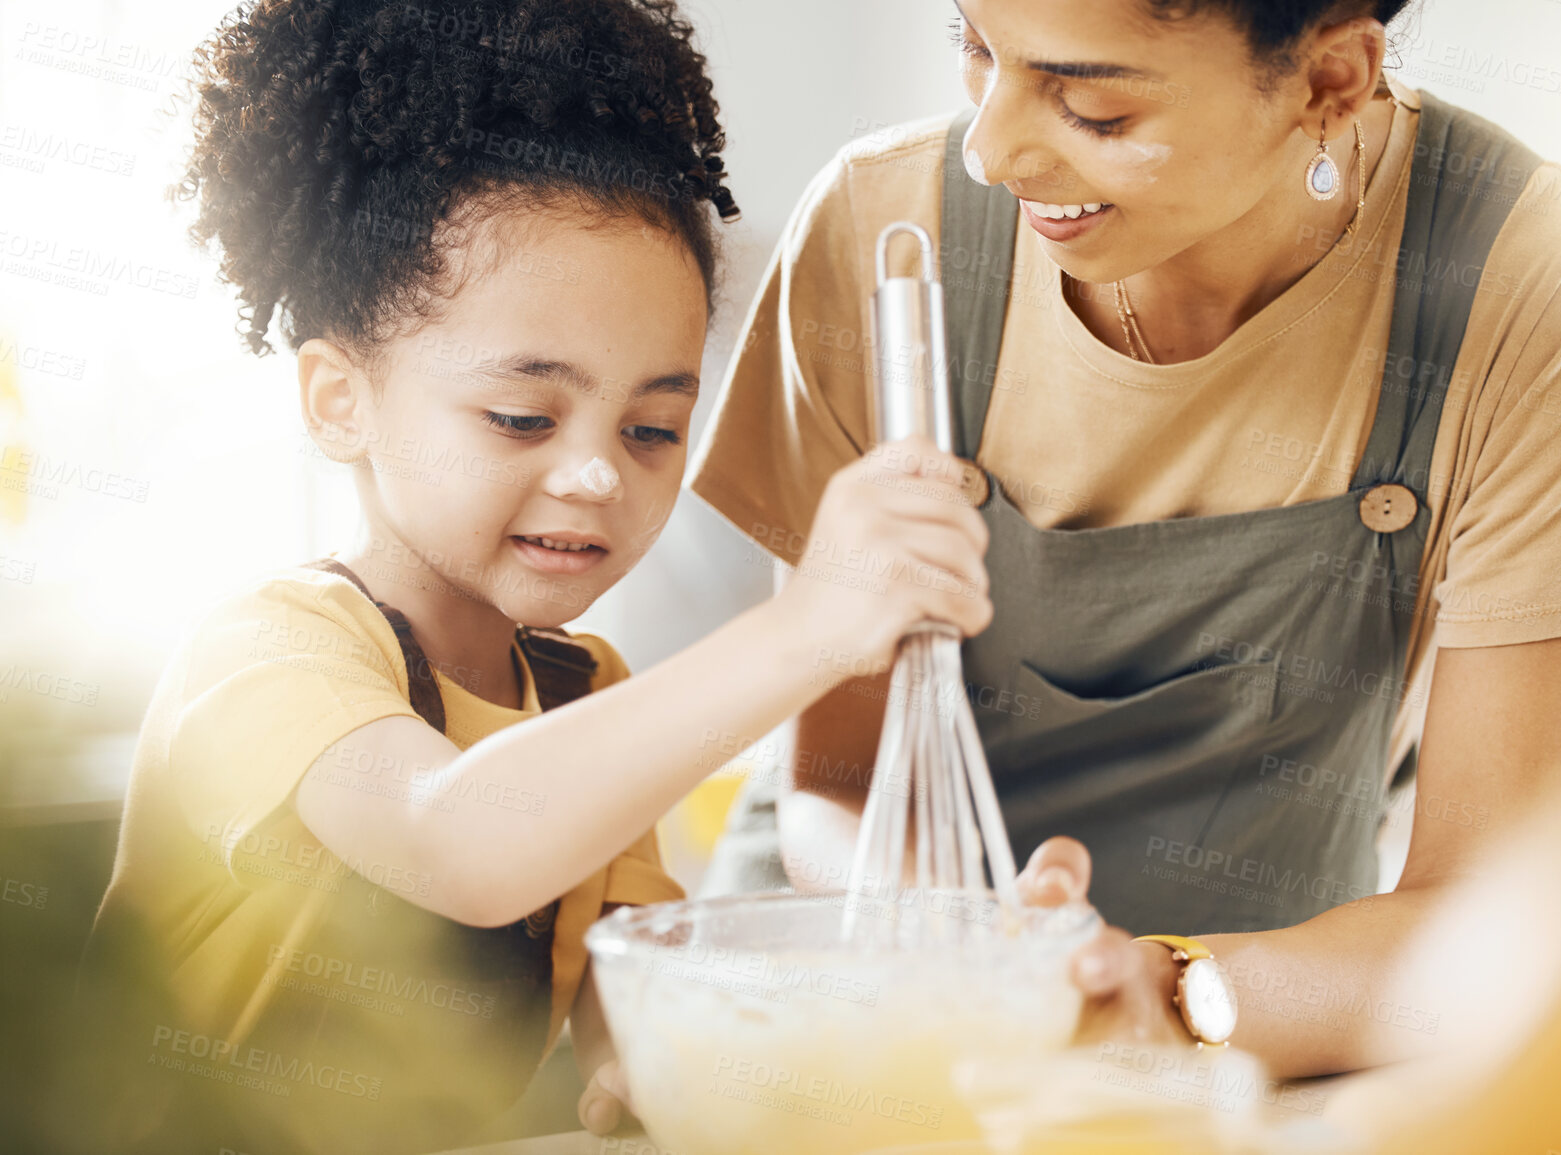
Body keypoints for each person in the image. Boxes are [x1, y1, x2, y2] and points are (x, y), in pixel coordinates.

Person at [689, 0, 1561, 1075]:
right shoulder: (888, 230)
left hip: (1254, 1052)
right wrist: (986, 967)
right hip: (848, 1022)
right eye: (975, 47)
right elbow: (836, 780)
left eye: (1092, 104)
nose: (993, 151)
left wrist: (1166, 998)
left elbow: (1488, 923)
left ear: (1331, 80)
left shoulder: (1529, 279)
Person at [67, 2, 994, 1152]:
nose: (600, 474)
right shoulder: (272, 656)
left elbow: (642, 1028)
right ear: (339, 399)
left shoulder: (588, 699)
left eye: (655, 428)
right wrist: (810, 624)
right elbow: (462, 843)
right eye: (522, 416)